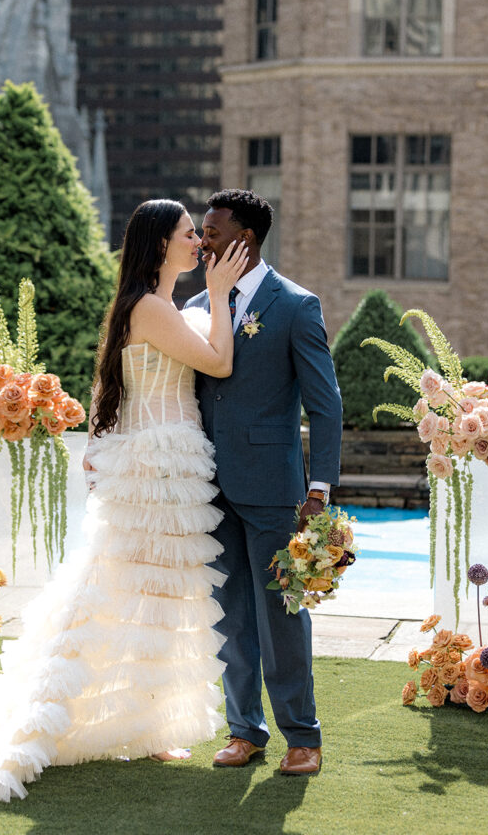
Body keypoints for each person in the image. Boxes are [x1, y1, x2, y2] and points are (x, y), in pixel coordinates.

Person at [0, 199, 248, 806]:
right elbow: (218, 361)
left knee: (156, 597)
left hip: (162, 459)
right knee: (127, 590)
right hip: (158, 464)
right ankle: (61, 715)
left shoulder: (143, 306)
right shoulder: (153, 308)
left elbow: (110, 384)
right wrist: (217, 294)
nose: (200, 245)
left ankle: (148, 725)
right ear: (161, 244)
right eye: (191, 235)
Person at [185, 189, 342, 776]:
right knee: (229, 616)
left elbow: (326, 407)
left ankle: (303, 737)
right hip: (209, 487)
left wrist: (319, 489)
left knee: (281, 613)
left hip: (275, 489)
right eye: (201, 233)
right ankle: (244, 732)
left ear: (244, 240)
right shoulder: (199, 305)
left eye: (213, 232)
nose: (202, 242)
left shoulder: (297, 306)